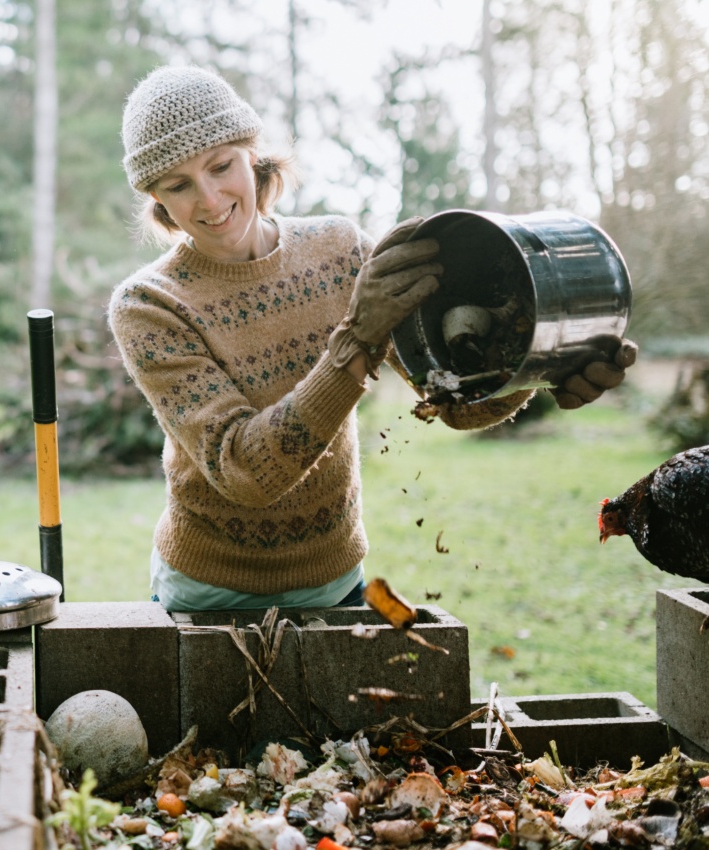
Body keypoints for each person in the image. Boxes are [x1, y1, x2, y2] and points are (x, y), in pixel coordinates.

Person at [107, 66, 635, 612]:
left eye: (221, 166)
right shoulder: (149, 305)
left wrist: (529, 366)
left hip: (337, 581)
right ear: (156, 198)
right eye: (178, 184)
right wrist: (357, 338)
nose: (211, 197)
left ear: (252, 155)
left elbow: (450, 400)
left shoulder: (341, 251)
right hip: (207, 593)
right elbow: (244, 470)